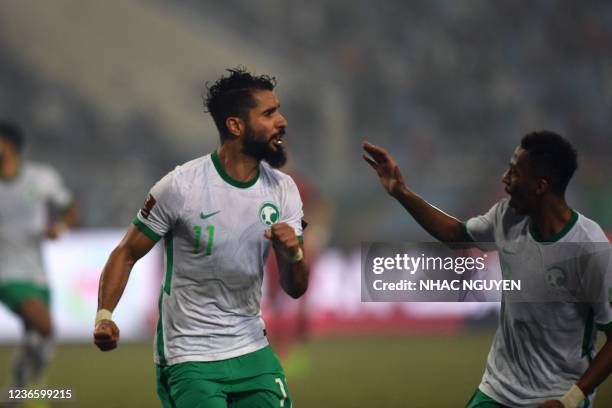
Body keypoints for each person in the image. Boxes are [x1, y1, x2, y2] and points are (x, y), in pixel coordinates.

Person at [94, 67, 309, 408]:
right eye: (268, 114)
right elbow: (126, 252)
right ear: (235, 126)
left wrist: (293, 253)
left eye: (278, 110)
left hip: (252, 348)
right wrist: (104, 315)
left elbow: (296, 288)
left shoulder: (283, 190)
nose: (281, 121)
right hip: (189, 357)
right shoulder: (181, 187)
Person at [363, 131, 611, 408]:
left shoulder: (589, 248)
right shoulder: (507, 216)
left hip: (558, 397)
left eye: (515, 173)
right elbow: (456, 235)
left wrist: (570, 399)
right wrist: (402, 193)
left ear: (540, 186)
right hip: (499, 390)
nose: (505, 180)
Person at [0, 121, 77, 394]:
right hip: (6, 276)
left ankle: (19, 385)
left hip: (37, 274)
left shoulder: (41, 178)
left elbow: (69, 209)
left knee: (41, 341)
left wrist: (60, 228)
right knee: (45, 325)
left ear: (9, 146)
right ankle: (23, 382)